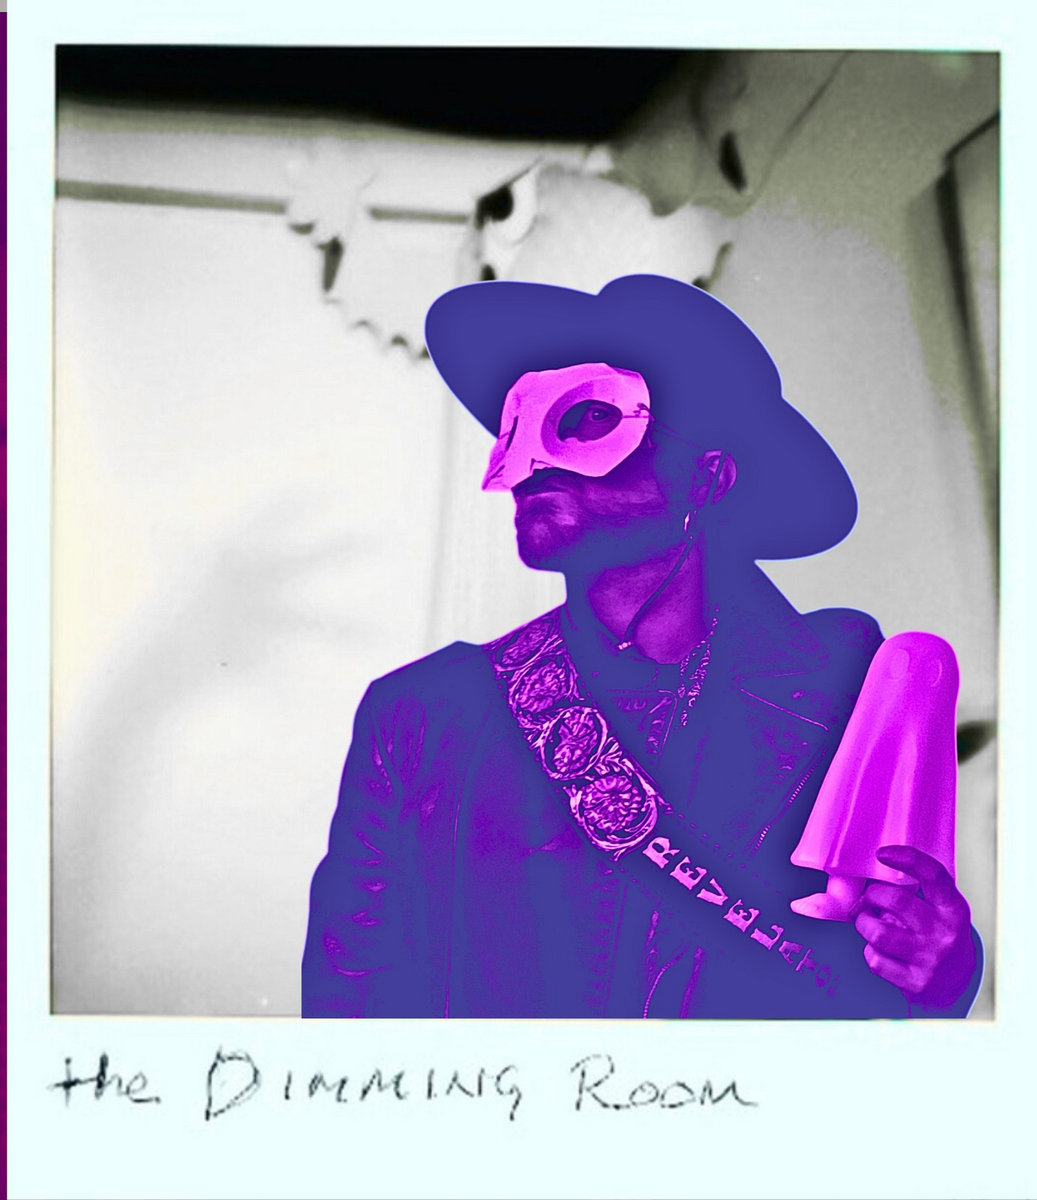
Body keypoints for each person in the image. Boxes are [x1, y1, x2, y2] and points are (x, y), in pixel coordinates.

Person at [302, 275, 982, 1019]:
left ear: (707, 477)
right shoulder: (422, 718)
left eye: (589, 418)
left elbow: (874, 982)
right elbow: (350, 1006)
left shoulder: (841, 693)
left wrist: (939, 969)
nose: (530, 465)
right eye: (514, 430)